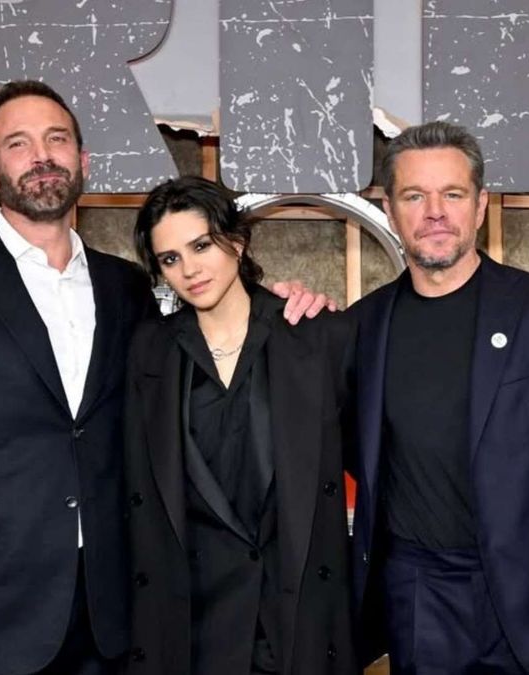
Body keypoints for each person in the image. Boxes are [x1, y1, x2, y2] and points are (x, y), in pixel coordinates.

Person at [0, 81, 330, 675]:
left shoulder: (124, 286)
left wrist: (282, 304)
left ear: (82, 160)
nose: (42, 156)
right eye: (18, 143)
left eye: (56, 139)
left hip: (118, 613)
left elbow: (206, 360)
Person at [348, 121, 529, 675]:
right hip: (419, 596)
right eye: (414, 196)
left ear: (480, 205)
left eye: (452, 194)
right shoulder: (363, 326)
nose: (435, 212)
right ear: (389, 209)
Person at [122, 176, 359, 675]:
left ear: (237, 240)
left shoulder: (319, 338)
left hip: (295, 623)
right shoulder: (147, 353)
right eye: (170, 258)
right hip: (194, 629)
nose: (189, 270)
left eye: (201, 246)